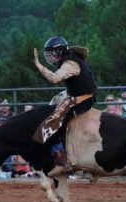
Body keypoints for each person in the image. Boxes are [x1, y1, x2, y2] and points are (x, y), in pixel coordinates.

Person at [32, 36, 97, 177]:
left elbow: (54, 78)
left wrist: (39, 66)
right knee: (54, 103)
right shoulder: (72, 59)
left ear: (58, 52)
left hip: (82, 99)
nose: (49, 57)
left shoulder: (69, 63)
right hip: (79, 94)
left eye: (51, 54)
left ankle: (63, 161)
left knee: (50, 124)